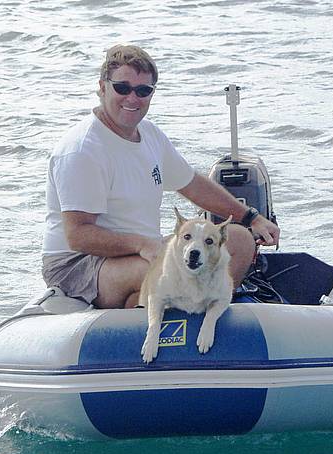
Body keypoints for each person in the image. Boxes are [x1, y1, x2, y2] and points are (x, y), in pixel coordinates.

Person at [42, 44, 280, 309]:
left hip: (143, 252)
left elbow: (192, 185)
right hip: (79, 264)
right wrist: (142, 244)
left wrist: (251, 217)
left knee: (240, 240)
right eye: (122, 88)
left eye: (143, 91)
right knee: (170, 273)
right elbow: (78, 236)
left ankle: (184, 311)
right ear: (102, 87)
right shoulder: (83, 150)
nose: (132, 98)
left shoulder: (151, 135)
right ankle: (158, 307)